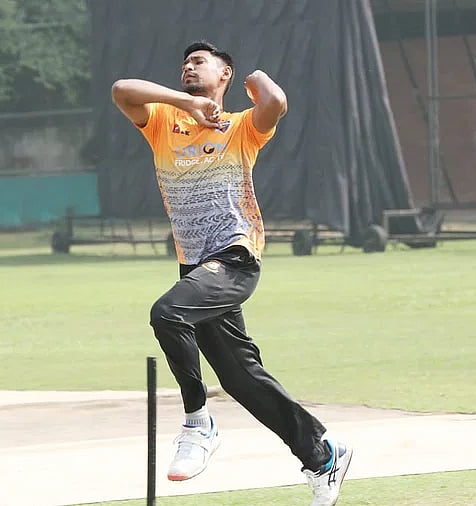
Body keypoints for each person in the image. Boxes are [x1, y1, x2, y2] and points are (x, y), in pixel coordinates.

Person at [111, 40, 353, 505]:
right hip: (197, 267)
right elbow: (122, 89)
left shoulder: (241, 127)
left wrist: (255, 80)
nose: (188, 66)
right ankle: (322, 455)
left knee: (167, 314)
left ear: (224, 75)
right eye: (185, 63)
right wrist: (185, 102)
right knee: (242, 378)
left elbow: (275, 103)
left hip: (235, 259)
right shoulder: (164, 122)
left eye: (200, 62)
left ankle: (198, 422)